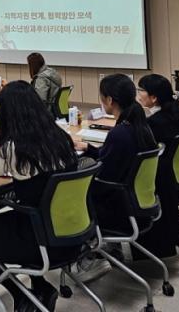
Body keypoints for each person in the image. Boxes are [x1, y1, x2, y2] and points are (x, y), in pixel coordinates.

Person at [0, 82, 79, 312]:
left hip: (39, 238)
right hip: (71, 231)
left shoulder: (15, 148)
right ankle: (40, 287)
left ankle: (20, 294)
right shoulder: (61, 138)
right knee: (12, 221)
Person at [73, 74, 156, 281]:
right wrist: (89, 148)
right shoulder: (140, 126)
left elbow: (104, 178)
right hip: (138, 203)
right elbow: (112, 160)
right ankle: (112, 247)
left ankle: (86, 261)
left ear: (109, 100)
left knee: (70, 198)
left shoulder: (119, 134)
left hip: (119, 209)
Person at [135, 74, 179, 258]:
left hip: (157, 182)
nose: (138, 93)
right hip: (172, 179)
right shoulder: (176, 114)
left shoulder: (154, 124)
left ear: (154, 97)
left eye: (141, 90)